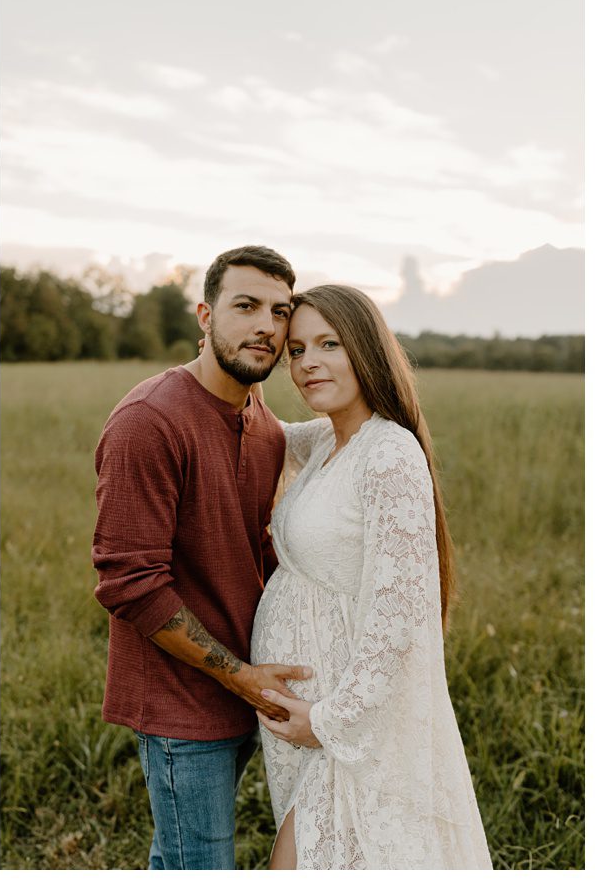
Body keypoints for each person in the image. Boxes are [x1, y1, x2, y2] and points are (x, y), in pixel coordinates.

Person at [250, 285, 491, 868]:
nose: (309, 363)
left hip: (348, 727)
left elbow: (399, 618)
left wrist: (331, 720)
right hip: (312, 726)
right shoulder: (329, 441)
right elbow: (260, 430)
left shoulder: (388, 454)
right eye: (298, 350)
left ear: (365, 348)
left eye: (329, 344)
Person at [92, 246, 311, 870]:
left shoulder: (262, 417)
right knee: (200, 862)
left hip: (250, 688)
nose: (265, 325)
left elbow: (259, 548)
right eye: (245, 306)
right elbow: (130, 584)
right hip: (180, 702)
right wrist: (238, 674)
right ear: (205, 315)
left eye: (279, 311)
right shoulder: (149, 421)